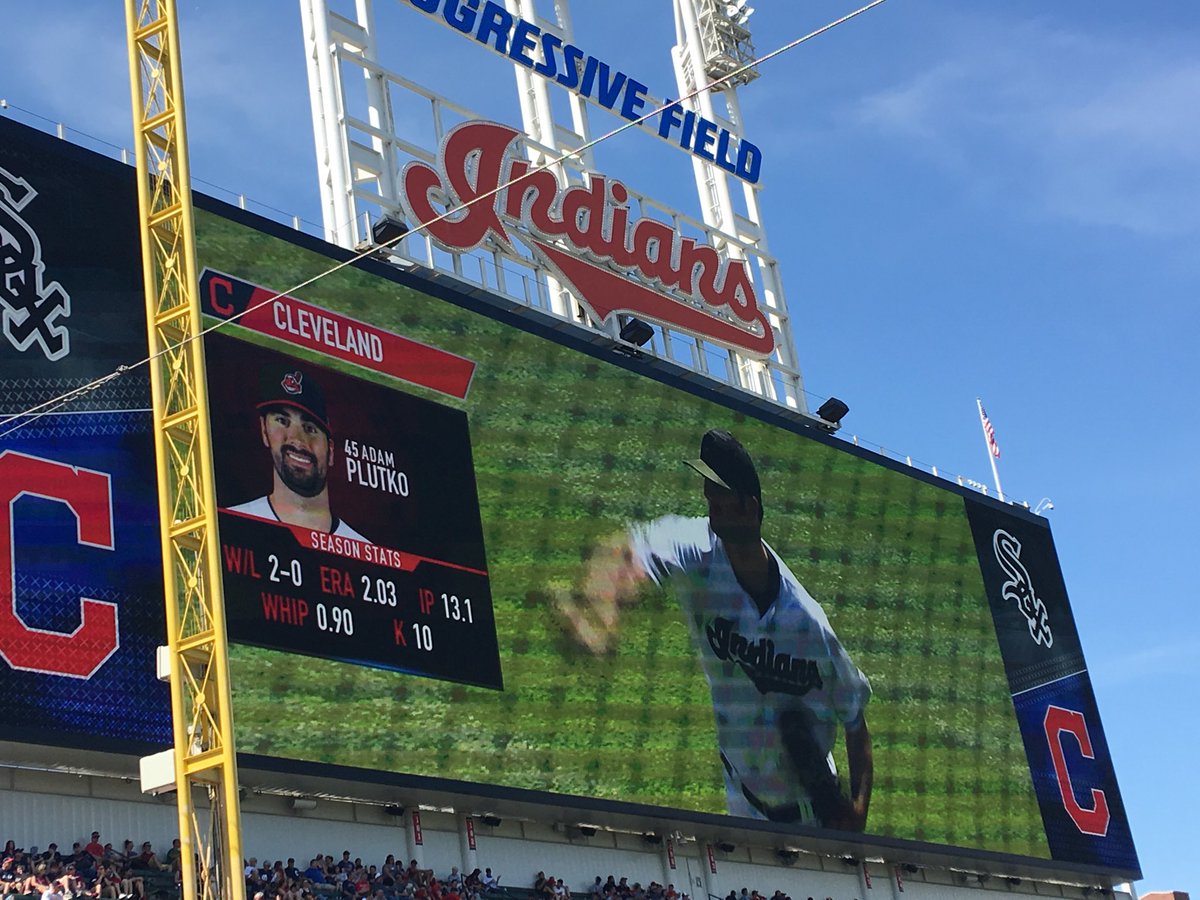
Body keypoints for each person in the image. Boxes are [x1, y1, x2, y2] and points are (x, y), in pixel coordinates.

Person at [557, 429, 873, 831]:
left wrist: (858, 813)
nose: (711, 506)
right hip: (740, 802)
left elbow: (855, 722)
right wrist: (602, 605)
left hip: (810, 818)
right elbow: (630, 550)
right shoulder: (697, 550)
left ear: (749, 507)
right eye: (708, 494)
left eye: (720, 495)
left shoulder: (808, 624)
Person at [228, 368, 367, 541]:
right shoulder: (232, 525)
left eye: (310, 428)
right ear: (264, 430)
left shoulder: (364, 550)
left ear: (330, 450)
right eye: (282, 421)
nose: (297, 440)